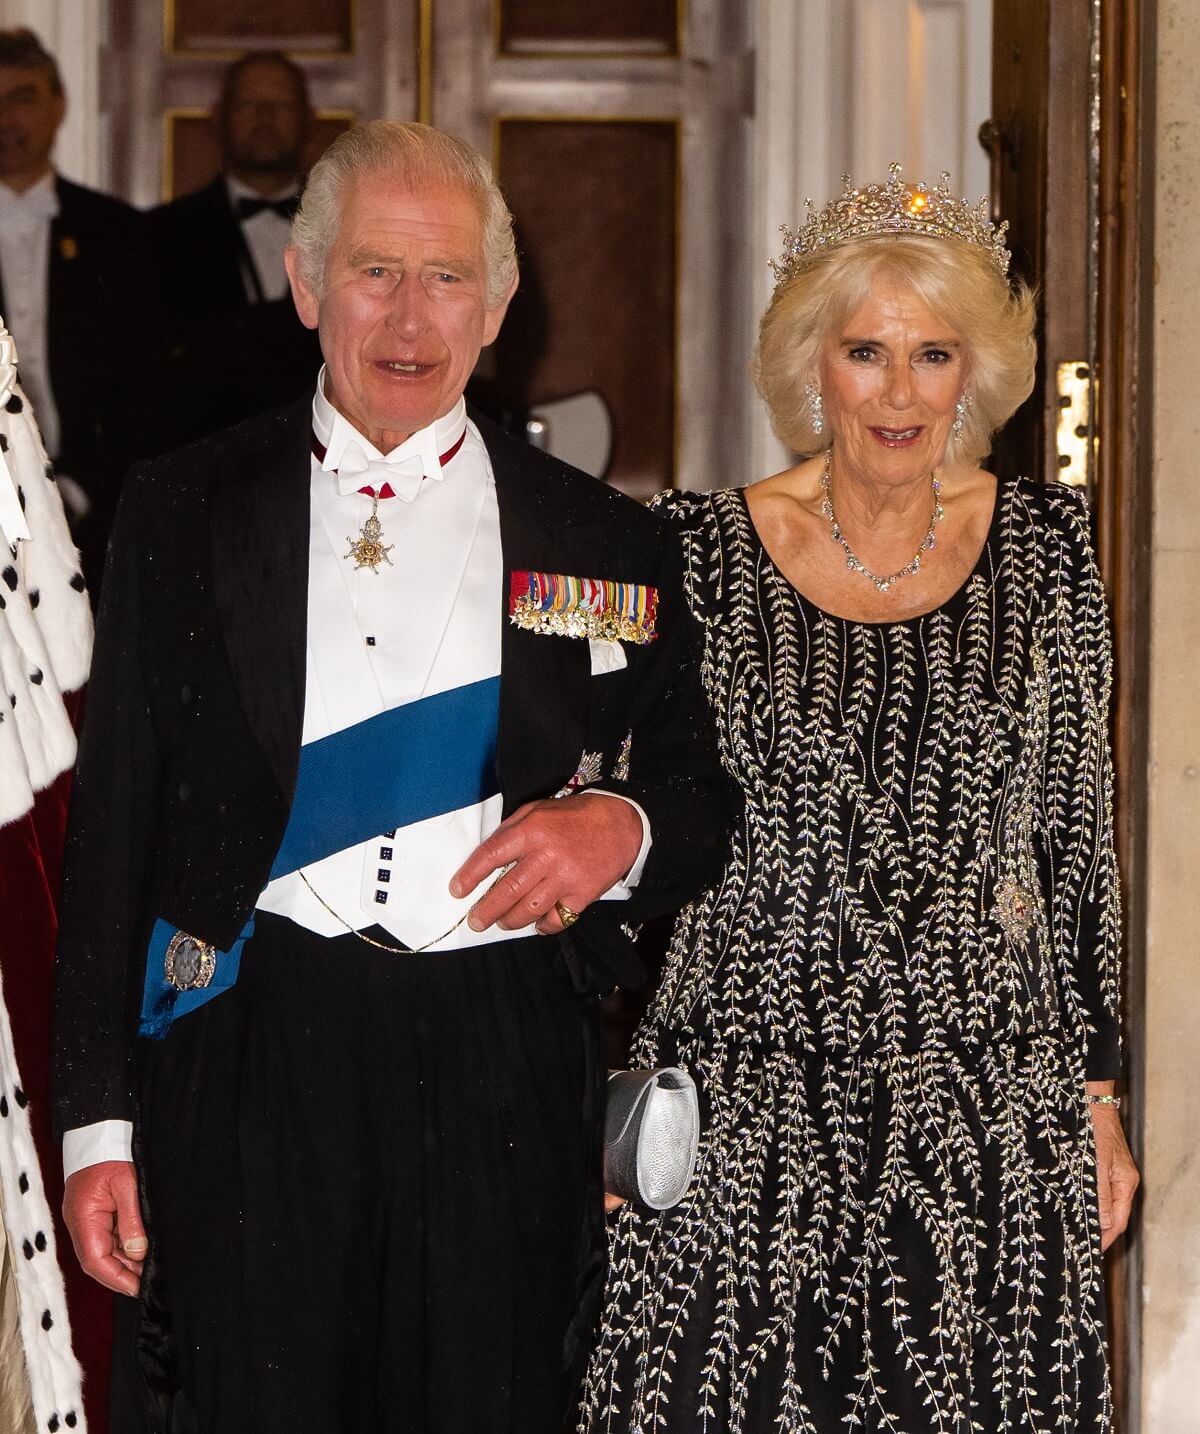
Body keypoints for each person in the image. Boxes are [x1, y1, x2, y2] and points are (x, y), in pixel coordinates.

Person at [52, 119, 734, 1434]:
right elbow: (112, 824)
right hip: (248, 1038)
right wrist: (97, 1128)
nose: (409, 317)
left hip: (493, 1052)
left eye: (446, 277)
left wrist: (621, 827)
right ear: (305, 286)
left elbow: (703, 797)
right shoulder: (181, 509)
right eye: (373, 271)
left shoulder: (607, 538)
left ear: (502, 299)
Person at [579, 166, 1139, 1433]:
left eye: (932, 354)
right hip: (743, 1097)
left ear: (975, 372)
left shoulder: (1052, 550)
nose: (898, 392)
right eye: (866, 351)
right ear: (810, 367)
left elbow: (1074, 850)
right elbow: (629, 826)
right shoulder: (695, 549)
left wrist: (1097, 1104)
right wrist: (609, 1096)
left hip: (986, 1099)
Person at [0, 27, 155, 597]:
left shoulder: (121, 237)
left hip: (100, 509)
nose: (7, 120)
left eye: (23, 98)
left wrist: (75, 489)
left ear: (59, 104)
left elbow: (147, 385)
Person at [150, 50, 323, 445]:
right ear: (217, 117)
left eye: (280, 104)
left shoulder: (347, 235)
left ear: (310, 119)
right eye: (249, 104)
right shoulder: (157, 236)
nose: (264, 117)